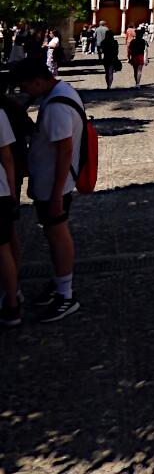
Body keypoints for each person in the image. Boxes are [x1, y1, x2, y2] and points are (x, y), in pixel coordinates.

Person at [9, 57, 84, 322]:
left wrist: (55, 196)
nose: (25, 92)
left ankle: (66, 294)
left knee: (57, 235)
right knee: (54, 234)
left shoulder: (56, 107)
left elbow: (64, 151)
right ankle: (60, 283)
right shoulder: (59, 93)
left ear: (38, 81)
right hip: (51, 183)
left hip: (55, 186)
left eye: (25, 87)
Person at [0, 105, 21, 326]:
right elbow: (7, 156)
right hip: (1, 190)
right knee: (3, 246)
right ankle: (13, 301)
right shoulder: (0, 113)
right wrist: (13, 191)